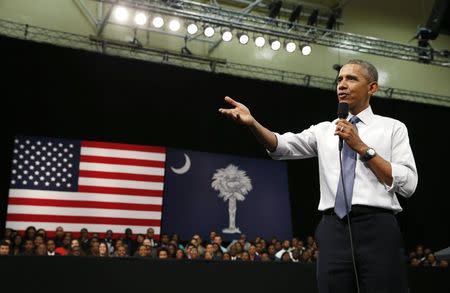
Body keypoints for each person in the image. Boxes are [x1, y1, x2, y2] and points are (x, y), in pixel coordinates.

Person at [219, 59, 418, 293]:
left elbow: (409, 183)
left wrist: (362, 147)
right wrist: (253, 123)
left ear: (372, 88)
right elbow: (282, 146)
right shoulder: (324, 130)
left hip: (377, 226)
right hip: (333, 228)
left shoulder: (393, 128)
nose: (342, 85)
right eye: (340, 79)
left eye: (351, 79)